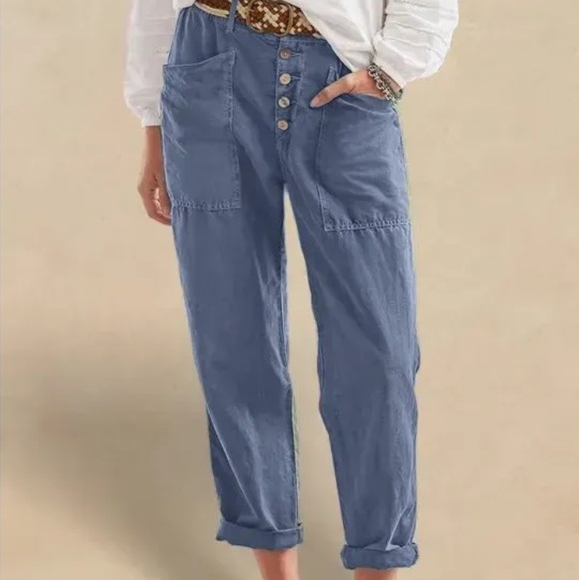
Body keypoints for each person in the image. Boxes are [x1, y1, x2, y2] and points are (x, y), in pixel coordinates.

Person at [123, 1, 458, 578]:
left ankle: (379, 562)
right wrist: (152, 122)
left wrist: (392, 68)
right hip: (208, 64)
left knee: (380, 347)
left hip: (342, 79)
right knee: (233, 333)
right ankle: (275, 569)